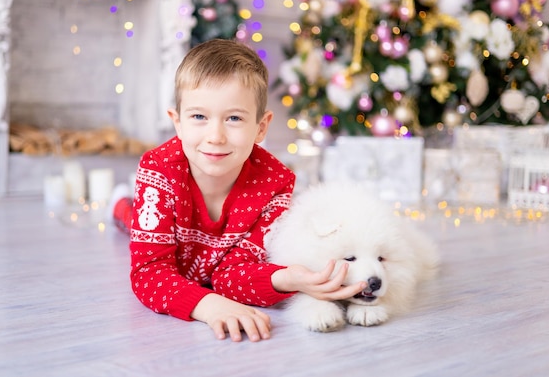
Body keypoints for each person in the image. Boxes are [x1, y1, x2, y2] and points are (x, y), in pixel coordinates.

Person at [111, 38, 366, 342]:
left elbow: (232, 276)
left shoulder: (275, 183)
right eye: (199, 117)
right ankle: (119, 206)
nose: (215, 136)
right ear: (177, 123)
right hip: (173, 237)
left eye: (234, 118)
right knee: (133, 219)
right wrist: (207, 305)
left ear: (261, 127)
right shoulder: (158, 170)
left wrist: (285, 278)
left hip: (215, 254)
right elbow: (150, 273)